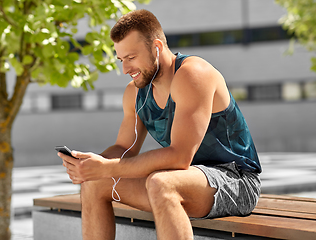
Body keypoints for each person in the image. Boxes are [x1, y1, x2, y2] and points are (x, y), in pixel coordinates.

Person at [58, 9, 262, 240]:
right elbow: (124, 148)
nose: (125, 69)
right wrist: (92, 165)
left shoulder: (193, 74)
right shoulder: (135, 93)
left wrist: (109, 167)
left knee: (161, 182)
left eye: (131, 58)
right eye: (121, 60)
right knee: (95, 184)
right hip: (183, 179)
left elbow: (179, 157)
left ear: (156, 47)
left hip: (235, 181)